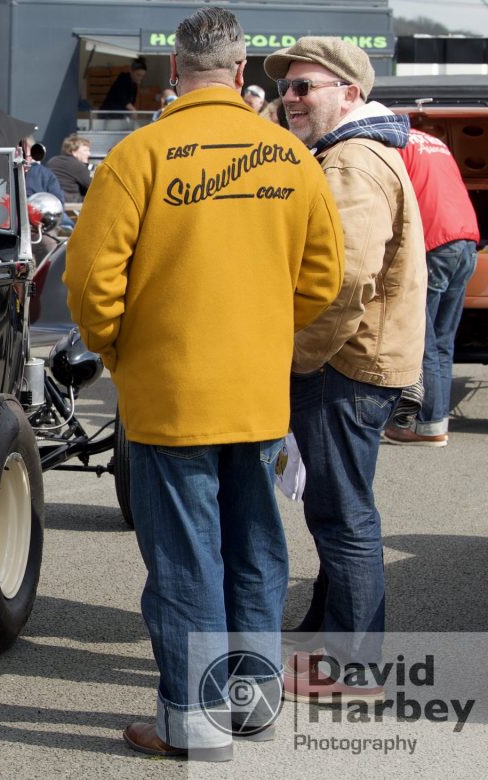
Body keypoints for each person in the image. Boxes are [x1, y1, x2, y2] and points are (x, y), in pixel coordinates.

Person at [64, 7, 344, 760]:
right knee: (256, 551)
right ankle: (250, 709)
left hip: (168, 397)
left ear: (173, 73)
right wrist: (259, 330)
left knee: (187, 562)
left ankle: (193, 723)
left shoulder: (141, 155)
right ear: (243, 70)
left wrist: (121, 347)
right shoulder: (290, 159)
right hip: (256, 392)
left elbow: (91, 282)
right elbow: (322, 275)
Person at [263, 37, 426, 699]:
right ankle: (326, 638)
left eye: (307, 87)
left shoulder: (352, 161)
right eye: (290, 88)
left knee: (342, 515)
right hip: (358, 359)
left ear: (350, 93)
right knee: (340, 508)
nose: (292, 99)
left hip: (344, 364)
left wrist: (298, 356)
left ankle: (352, 666)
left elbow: (345, 279)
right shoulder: (353, 153)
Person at [382, 127, 480, 446]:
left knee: (423, 338)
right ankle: (434, 418)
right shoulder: (434, 142)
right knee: (442, 341)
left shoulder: (391, 145)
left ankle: (428, 424)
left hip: (434, 242)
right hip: (466, 240)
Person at [21, 135, 73, 230]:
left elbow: (58, 202)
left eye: (24, 150)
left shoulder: (45, 173)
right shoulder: (45, 173)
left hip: (39, 220)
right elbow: (59, 202)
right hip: (33, 222)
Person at [46, 133, 92, 203]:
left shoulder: (52, 161)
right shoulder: (78, 166)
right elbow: (93, 186)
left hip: (52, 200)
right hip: (73, 203)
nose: (89, 154)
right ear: (74, 152)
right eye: (85, 150)